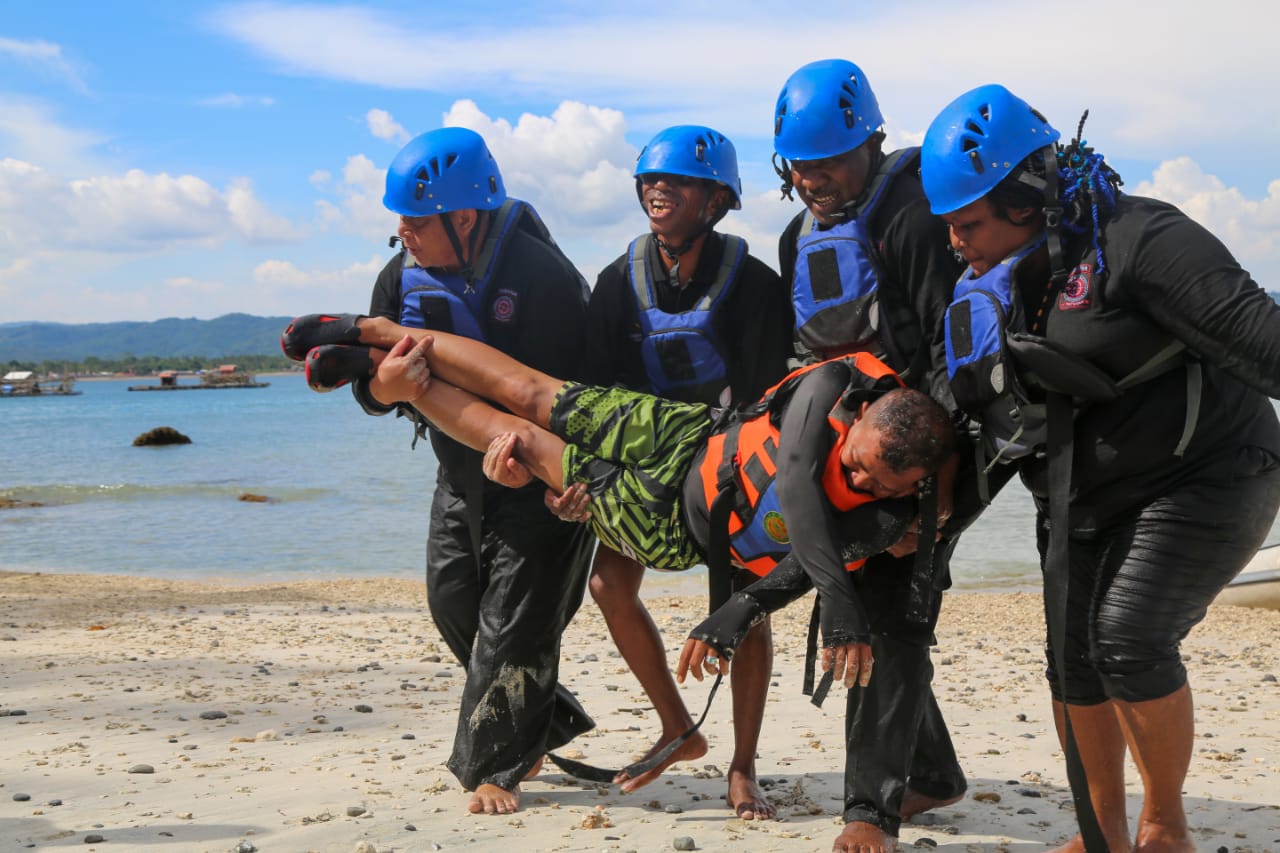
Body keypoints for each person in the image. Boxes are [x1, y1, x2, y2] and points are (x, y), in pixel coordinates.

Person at [920, 83, 1280, 852]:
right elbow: (968, 415)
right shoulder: (992, 281)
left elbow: (1266, 341)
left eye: (967, 222)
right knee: (1069, 656)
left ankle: (1164, 826)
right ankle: (1101, 830)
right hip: (1082, 494)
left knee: (1127, 637)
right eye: (946, 224)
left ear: (1027, 195)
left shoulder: (1144, 239)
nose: (955, 242)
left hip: (1213, 469)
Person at [345, 127, 596, 816]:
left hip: (545, 480)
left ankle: (495, 766)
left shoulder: (542, 278)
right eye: (399, 220)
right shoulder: (400, 276)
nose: (404, 232)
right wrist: (385, 391)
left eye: (417, 220)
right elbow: (372, 387)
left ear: (465, 216)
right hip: (459, 474)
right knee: (451, 599)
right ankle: (538, 720)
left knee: (516, 617)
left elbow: (573, 402)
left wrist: (548, 473)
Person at [772, 58, 984, 850]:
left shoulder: (913, 214)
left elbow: (948, 348)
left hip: (922, 453)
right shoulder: (800, 233)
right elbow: (805, 357)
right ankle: (929, 773)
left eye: (830, 160)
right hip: (847, 457)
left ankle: (871, 810)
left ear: (870, 143)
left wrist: (932, 501)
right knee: (862, 601)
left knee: (888, 615)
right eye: (801, 164)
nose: (815, 178)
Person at [579, 124, 794, 818]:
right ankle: (679, 725)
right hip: (643, 461)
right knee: (609, 583)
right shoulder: (616, 280)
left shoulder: (755, 284)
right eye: (650, 179)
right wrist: (586, 477)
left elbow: (769, 395)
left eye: (678, 181)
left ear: (717, 200)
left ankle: (743, 764)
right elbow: (595, 390)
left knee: (745, 608)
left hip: (728, 465)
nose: (658, 188)